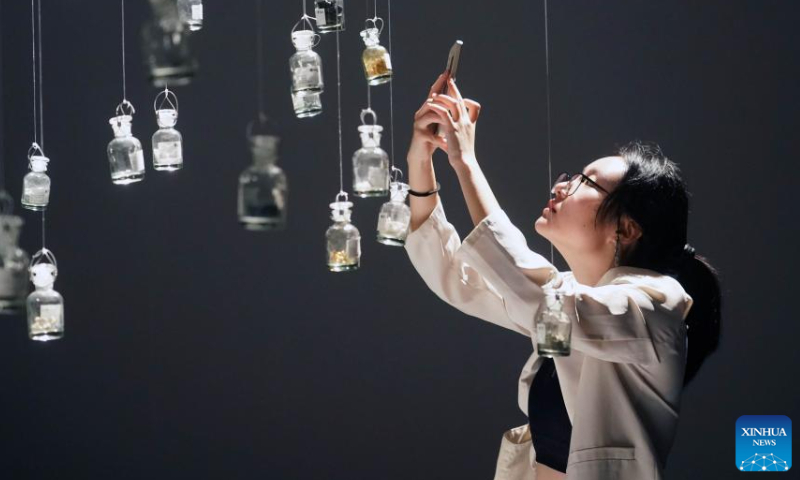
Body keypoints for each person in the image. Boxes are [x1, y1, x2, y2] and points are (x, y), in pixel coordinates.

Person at [403, 73, 722, 480]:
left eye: (584, 182)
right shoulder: (568, 299)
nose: (561, 186)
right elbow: (457, 277)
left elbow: (541, 296)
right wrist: (421, 159)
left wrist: (465, 161)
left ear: (625, 229)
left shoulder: (655, 307)